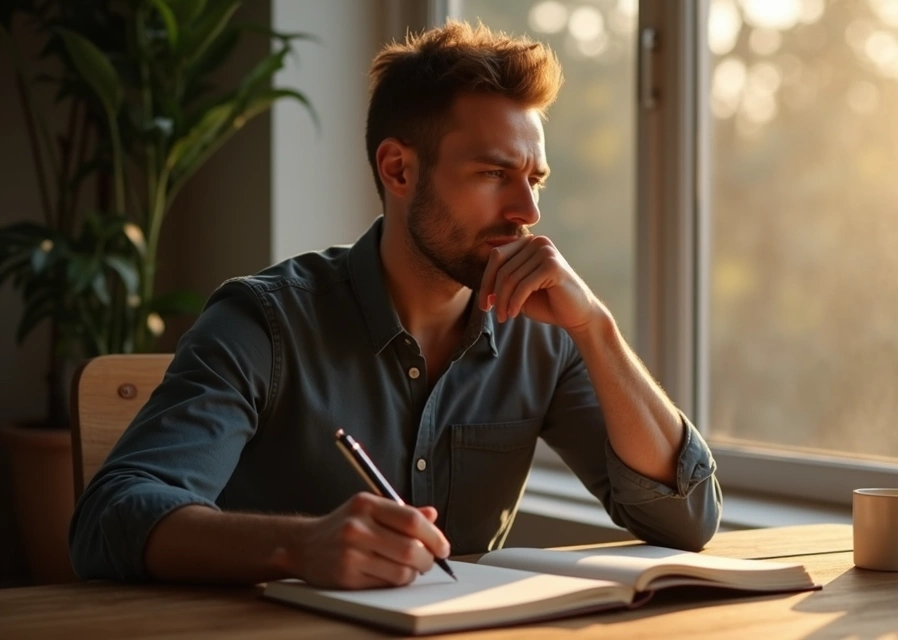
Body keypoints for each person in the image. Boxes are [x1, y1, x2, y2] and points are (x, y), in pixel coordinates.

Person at [69, 20, 721, 590]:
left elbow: (686, 519)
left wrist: (597, 328)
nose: (528, 212)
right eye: (495, 174)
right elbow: (109, 519)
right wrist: (298, 546)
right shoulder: (263, 324)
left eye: (535, 179)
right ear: (399, 170)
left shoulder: (543, 331)